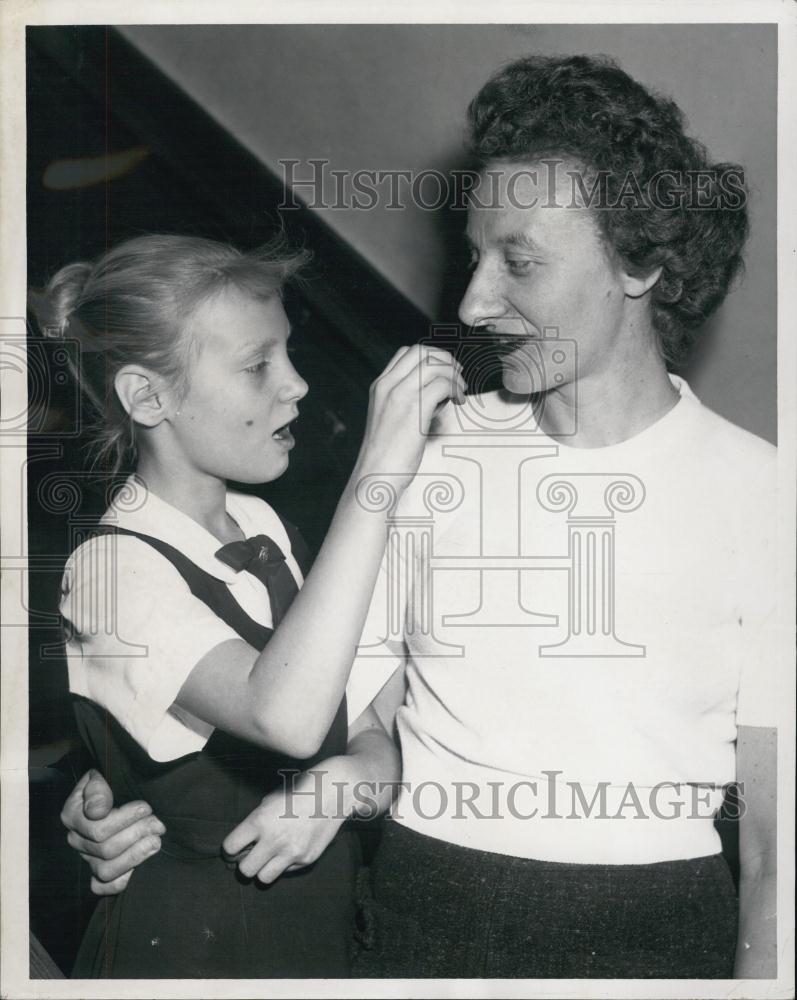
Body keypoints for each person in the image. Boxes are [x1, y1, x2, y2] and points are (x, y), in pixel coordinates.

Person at [61, 56, 779, 979]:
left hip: (658, 937)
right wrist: (131, 788)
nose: (473, 304)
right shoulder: (427, 455)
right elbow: (340, 716)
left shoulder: (762, 495)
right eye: (473, 256)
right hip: (415, 918)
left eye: (517, 260)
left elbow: (773, 847)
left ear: (640, 262)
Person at [40, 232, 464, 978]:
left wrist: (340, 787)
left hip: (316, 935)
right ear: (147, 395)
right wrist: (375, 479)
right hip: (195, 953)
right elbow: (289, 719)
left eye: (289, 354)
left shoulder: (265, 527)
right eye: (257, 365)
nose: (296, 384)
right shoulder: (106, 570)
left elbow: (371, 738)